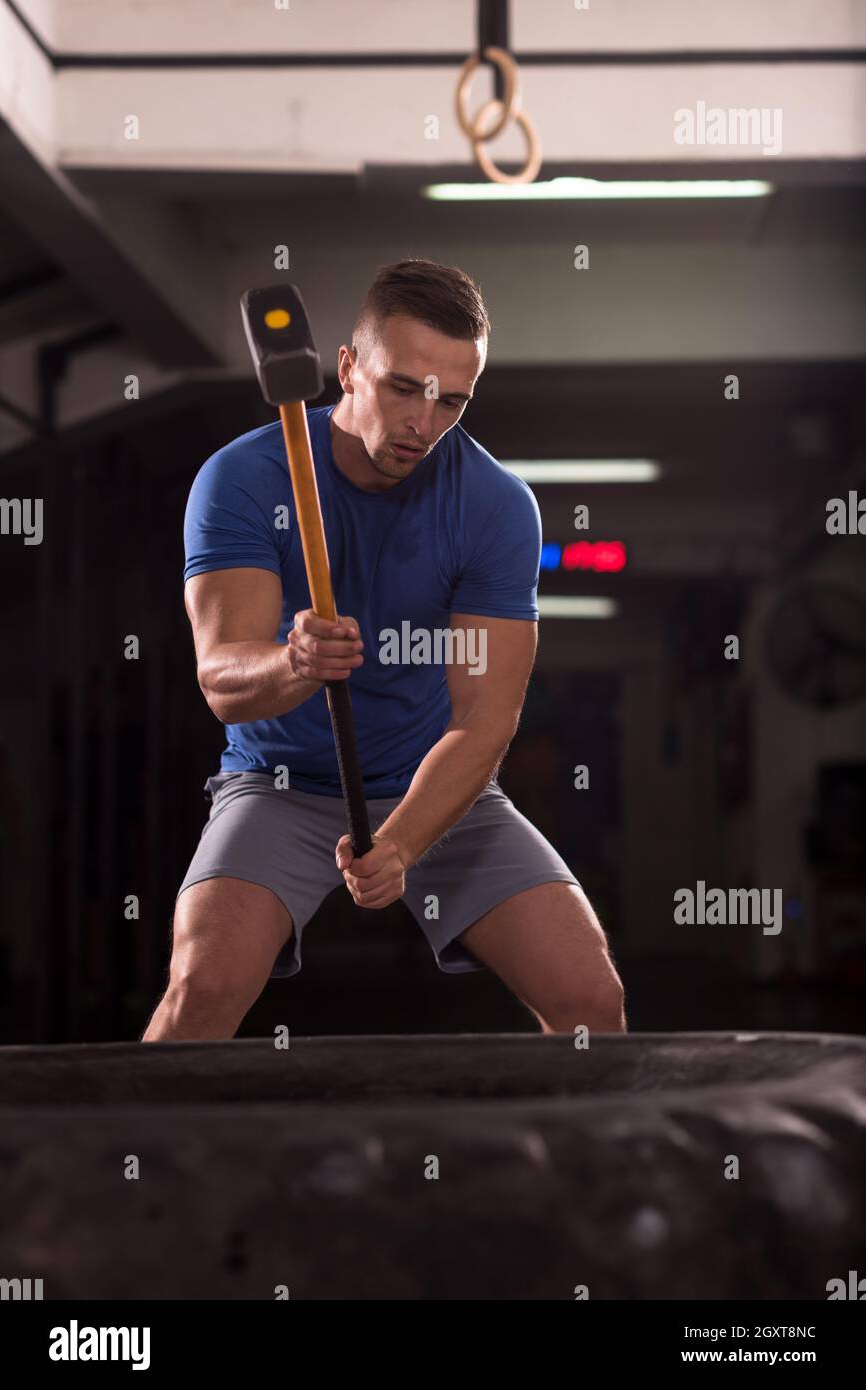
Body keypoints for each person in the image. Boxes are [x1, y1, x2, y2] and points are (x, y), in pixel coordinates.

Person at [142, 259, 625, 1041]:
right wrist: (292, 662)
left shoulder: (495, 506)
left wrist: (399, 843)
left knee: (589, 1000)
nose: (423, 423)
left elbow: (484, 721)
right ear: (346, 369)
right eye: (403, 387)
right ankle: (124, 1166)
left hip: (433, 784)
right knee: (202, 986)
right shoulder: (239, 478)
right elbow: (222, 681)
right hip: (278, 783)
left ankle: (595, 1167)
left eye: (452, 402)